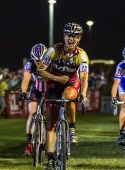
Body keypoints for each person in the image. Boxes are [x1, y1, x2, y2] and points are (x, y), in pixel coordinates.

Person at [36, 22, 89, 169]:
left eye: (75, 36)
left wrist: (83, 95)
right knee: (51, 123)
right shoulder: (53, 50)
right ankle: (51, 158)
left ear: (79, 39)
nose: (71, 39)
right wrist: (58, 79)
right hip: (54, 83)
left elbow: (84, 78)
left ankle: (72, 127)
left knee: (68, 96)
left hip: (72, 83)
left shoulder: (82, 55)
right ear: (64, 36)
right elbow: (40, 71)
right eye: (69, 36)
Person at [18, 43, 48, 156]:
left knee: (51, 114)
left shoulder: (52, 62)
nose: (38, 63)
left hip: (49, 90)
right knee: (32, 112)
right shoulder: (30, 63)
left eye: (41, 60)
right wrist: (23, 92)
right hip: (36, 89)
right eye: (36, 60)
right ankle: (29, 142)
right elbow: (26, 80)